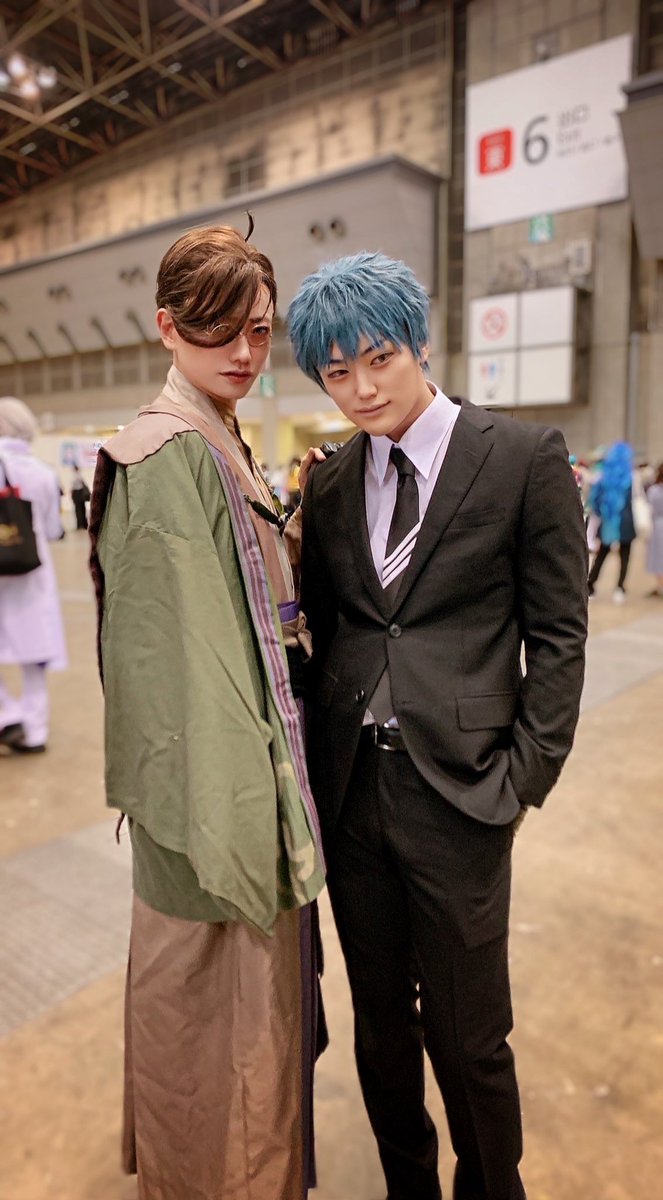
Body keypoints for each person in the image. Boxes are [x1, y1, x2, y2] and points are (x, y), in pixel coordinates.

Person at [288, 251, 588, 1200]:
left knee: (469, 1038)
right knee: (382, 1029)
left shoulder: (521, 458)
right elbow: (335, 627)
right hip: (353, 796)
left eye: (378, 358)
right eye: (337, 372)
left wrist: (523, 777)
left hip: (463, 793)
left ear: (419, 343)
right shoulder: (330, 481)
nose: (362, 389)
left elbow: (558, 633)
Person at [89, 224, 326, 1200]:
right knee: (215, 1047)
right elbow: (180, 675)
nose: (242, 350)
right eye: (216, 328)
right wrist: (248, 841)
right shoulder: (167, 453)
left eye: (258, 329)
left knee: (243, 1043)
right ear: (166, 326)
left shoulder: (220, 435)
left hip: (245, 788)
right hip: (216, 815)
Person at [0, 397, 67, 753]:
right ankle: (35, 730)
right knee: (34, 653)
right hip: (32, 571)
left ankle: (6, 714)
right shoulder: (43, 472)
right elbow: (54, 529)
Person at [587, 440, 636, 603]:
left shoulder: (603, 476)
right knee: (625, 556)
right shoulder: (631, 477)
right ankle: (620, 588)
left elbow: (595, 500)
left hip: (608, 520)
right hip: (626, 521)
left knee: (602, 554)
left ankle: (590, 585)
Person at [645, 462, 663, 597]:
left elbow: (650, 509)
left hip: (658, 525)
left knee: (658, 556)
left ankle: (660, 585)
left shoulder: (654, 490)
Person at [70, 464, 90, 530]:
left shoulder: (74, 477)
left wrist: (72, 496)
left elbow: (72, 488)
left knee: (78, 510)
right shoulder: (80, 476)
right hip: (81, 495)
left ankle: (79, 524)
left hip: (77, 494)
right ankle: (84, 524)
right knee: (82, 509)